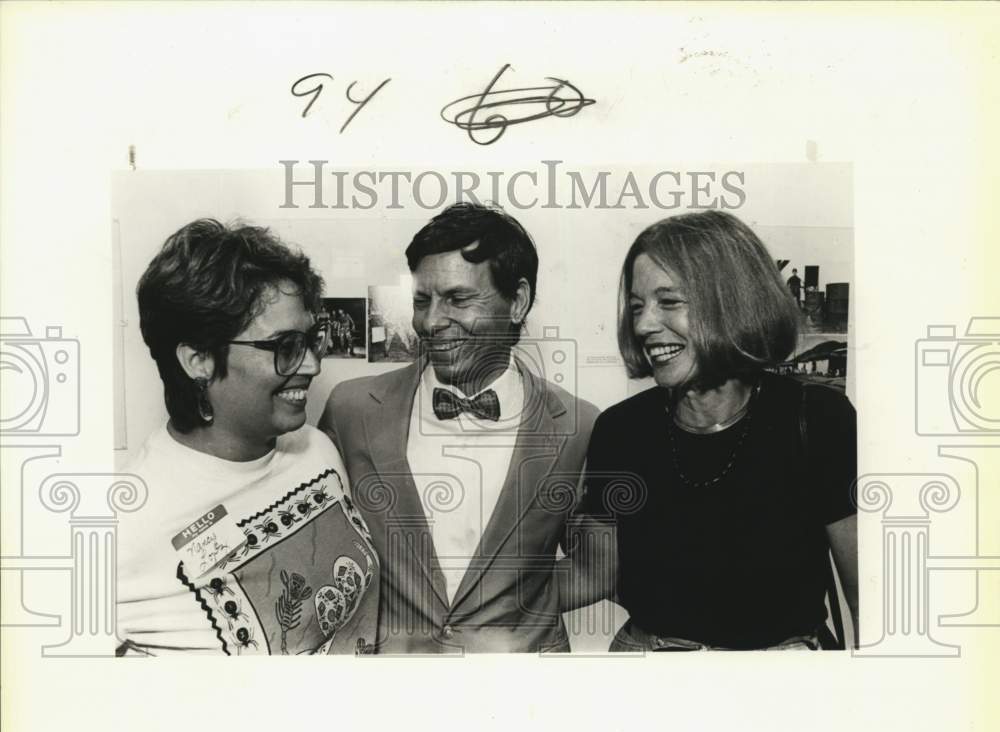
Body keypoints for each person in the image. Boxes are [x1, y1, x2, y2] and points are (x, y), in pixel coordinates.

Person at [567, 210, 858, 651]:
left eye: (669, 301)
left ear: (733, 302)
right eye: (637, 306)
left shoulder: (818, 418)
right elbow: (592, 576)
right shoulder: (620, 430)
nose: (644, 325)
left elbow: (870, 597)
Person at [320, 203, 598, 653]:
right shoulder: (351, 409)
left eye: (458, 299)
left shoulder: (580, 425)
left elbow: (595, 569)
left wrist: (512, 616)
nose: (430, 322)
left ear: (518, 301)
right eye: (421, 301)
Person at [116, 219, 379, 656]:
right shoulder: (125, 518)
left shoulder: (317, 449)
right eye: (284, 346)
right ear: (198, 360)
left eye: (312, 340)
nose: (312, 365)